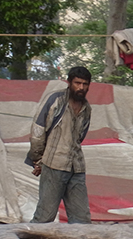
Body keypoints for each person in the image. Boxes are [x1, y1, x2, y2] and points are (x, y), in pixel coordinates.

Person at [26, 66, 92, 223]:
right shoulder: (56, 100)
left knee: (82, 219)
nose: (81, 87)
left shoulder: (87, 108)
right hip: (54, 165)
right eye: (77, 83)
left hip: (77, 168)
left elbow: (79, 137)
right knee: (45, 216)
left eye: (85, 84)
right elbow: (38, 131)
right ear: (69, 83)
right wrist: (38, 160)